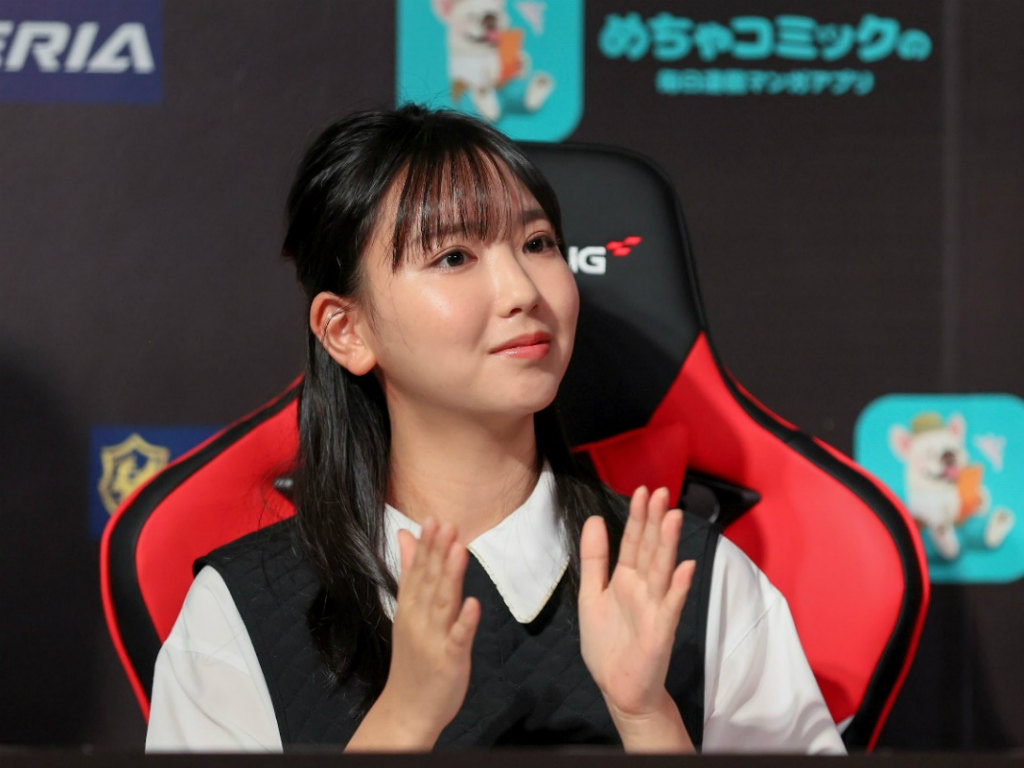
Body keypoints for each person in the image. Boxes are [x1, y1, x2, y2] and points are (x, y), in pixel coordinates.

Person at [145, 105, 845, 754]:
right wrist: (404, 719)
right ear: (346, 330)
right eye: (454, 257)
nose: (523, 291)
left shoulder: (697, 581)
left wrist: (646, 715)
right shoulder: (241, 613)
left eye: (538, 243)